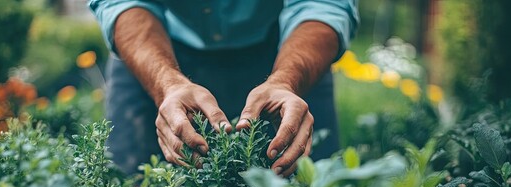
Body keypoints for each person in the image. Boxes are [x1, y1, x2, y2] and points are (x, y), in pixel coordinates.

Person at [89, 0, 359, 176]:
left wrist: (287, 82)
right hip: (154, 50)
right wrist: (167, 84)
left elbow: (322, 6)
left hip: (287, 53)